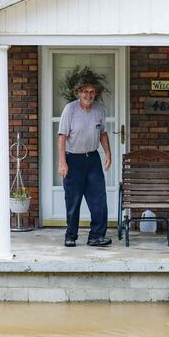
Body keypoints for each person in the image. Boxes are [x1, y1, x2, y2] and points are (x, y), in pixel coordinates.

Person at [57, 80, 112, 247]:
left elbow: (102, 133)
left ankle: (96, 236)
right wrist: (62, 162)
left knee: (99, 199)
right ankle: (70, 236)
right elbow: (62, 136)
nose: (89, 95)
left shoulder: (99, 110)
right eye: (85, 92)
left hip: (93, 159)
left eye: (92, 92)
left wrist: (108, 153)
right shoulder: (70, 109)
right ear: (79, 92)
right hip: (73, 159)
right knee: (73, 200)